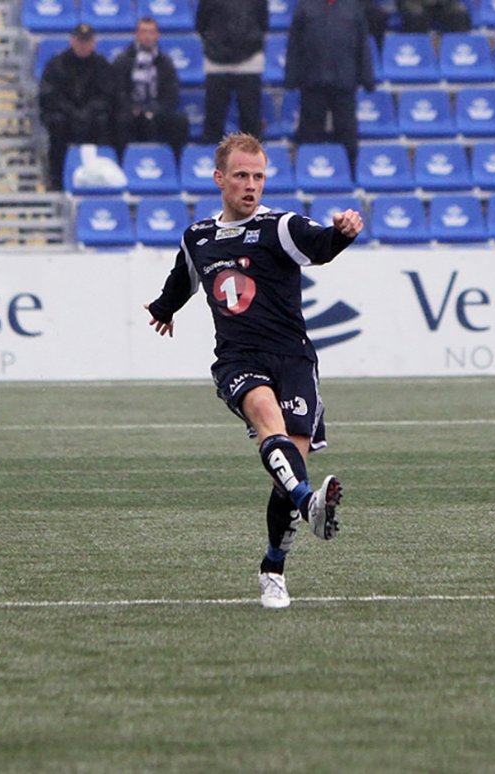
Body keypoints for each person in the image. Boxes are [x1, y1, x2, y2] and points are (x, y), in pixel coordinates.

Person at [144, 133, 364, 609]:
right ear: (219, 178)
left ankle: (272, 567)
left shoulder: (279, 226)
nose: (251, 185)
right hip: (239, 360)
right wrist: (164, 307)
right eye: (241, 175)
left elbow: (321, 245)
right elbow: (184, 277)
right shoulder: (198, 236)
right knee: (268, 421)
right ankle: (310, 504)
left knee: (289, 470)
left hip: (294, 359)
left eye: (258, 176)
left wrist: (343, 232)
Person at [284, 0, 376, 172]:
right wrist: (291, 77)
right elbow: (294, 44)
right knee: (309, 132)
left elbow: (362, 44)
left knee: (347, 132)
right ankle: (306, 170)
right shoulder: (305, 7)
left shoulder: (353, 7)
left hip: (345, 82)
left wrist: (367, 77)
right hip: (312, 81)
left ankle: (350, 172)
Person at [38, 23, 117, 190]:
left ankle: (101, 178)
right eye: (79, 40)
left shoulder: (101, 65)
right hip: (64, 116)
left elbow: (108, 95)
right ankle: (57, 180)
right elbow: (49, 95)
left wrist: (88, 111)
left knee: (105, 122)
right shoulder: (57, 64)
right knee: (57, 124)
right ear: (72, 40)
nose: (83, 45)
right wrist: (72, 112)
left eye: (87, 41)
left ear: (93, 43)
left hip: (92, 116)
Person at [112, 17, 190, 158]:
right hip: (131, 112)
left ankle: (176, 164)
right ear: (136, 34)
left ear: (157, 35)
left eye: (151, 32)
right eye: (143, 32)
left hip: (158, 111)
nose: (147, 36)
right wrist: (132, 109)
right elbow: (118, 91)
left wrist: (154, 111)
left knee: (180, 121)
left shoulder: (165, 62)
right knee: (119, 121)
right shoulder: (123, 60)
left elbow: (171, 93)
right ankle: (122, 163)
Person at [195, 0, 268, 143]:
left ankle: (251, 161)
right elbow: (201, 23)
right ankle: (214, 160)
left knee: (251, 119)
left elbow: (263, 23)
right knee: (214, 120)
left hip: (249, 62)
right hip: (216, 62)